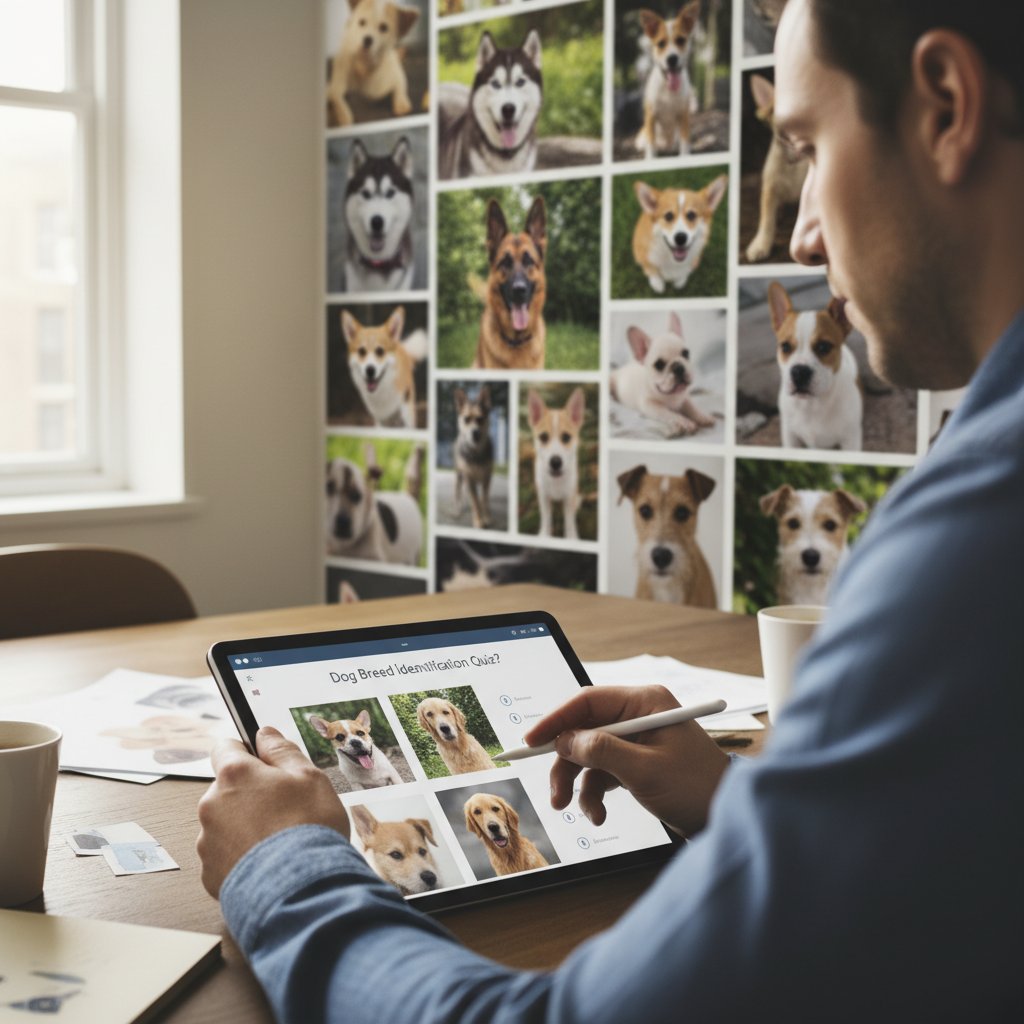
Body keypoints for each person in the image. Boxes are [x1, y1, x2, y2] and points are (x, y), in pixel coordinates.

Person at [196, 1, 1024, 1019]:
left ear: (946, 107)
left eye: (807, 146)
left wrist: (286, 869)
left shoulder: (981, 528)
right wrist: (746, 806)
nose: (801, 230)